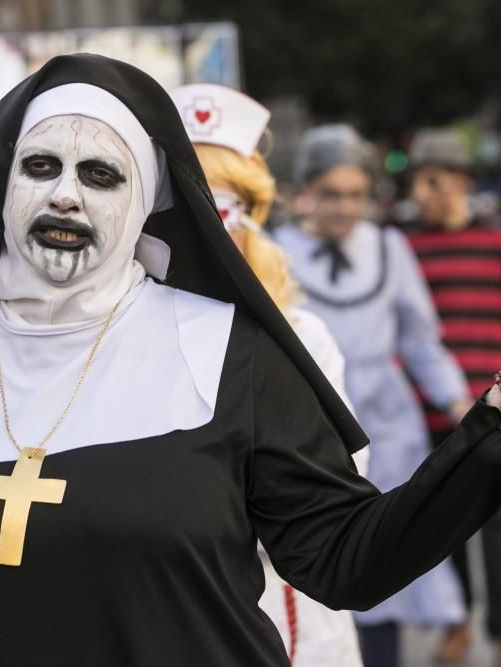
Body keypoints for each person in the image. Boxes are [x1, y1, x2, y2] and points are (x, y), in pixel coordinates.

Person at [0, 54, 501, 667]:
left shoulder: (226, 351)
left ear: (144, 200)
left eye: (100, 174)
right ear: (0, 185)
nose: (65, 198)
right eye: (41, 167)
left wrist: (487, 441)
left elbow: (344, 560)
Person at [172, 82, 365, 666]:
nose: (206, 228)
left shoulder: (303, 339)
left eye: (224, 208)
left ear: (251, 217)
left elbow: (336, 496)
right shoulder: (110, 339)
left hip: (285, 609)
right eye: (187, 203)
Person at [273, 124, 477, 667]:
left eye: (357, 195)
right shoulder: (274, 252)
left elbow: (420, 340)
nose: (345, 207)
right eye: (332, 194)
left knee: (380, 571)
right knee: (313, 575)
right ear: (306, 193)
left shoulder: (389, 248)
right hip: (308, 431)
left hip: (387, 432)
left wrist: (460, 404)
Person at [403, 128, 501, 667]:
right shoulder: (405, 247)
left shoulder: (496, 243)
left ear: (463, 182)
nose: (434, 191)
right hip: (434, 413)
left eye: (444, 179)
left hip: (498, 410)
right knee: (446, 527)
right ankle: (457, 621)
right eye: (424, 180)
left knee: (500, 528)